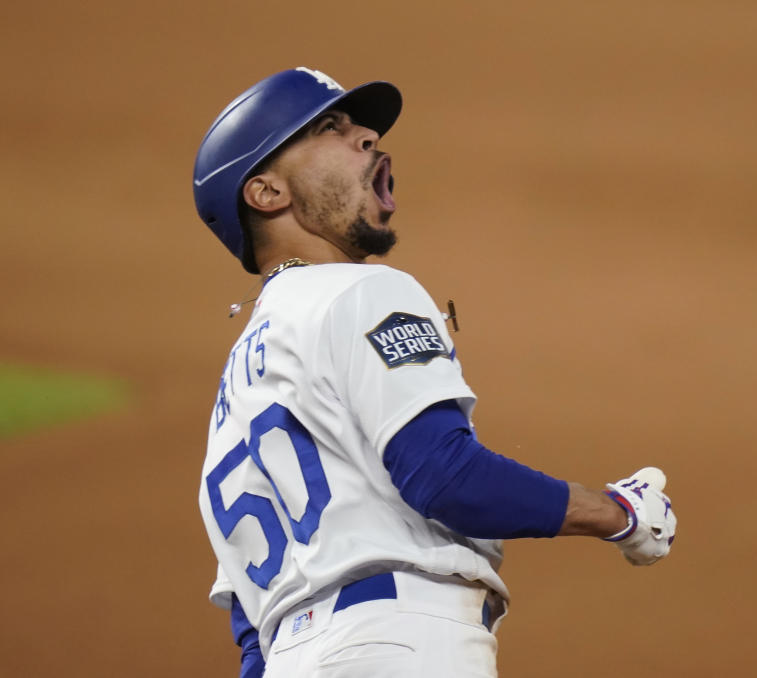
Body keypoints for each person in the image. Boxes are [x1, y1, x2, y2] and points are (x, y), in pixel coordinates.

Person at [192, 67, 677, 678]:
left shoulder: (238, 382)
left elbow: (248, 625)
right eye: (328, 128)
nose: (366, 137)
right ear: (266, 193)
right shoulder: (361, 291)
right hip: (399, 647)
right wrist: (616, 515)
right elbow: (445, 476)